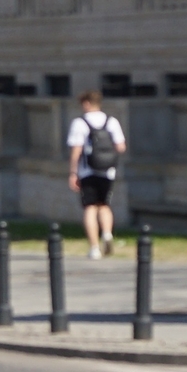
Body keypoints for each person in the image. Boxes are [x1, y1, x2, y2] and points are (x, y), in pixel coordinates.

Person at [66, 91, 127, 257]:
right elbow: (121, 147)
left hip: (88, 170)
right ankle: (107, 233)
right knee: (104, 205)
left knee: (90, 208)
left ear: (86, 103)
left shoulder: (80, 123)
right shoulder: (111, 121)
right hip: (108, 171)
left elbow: (76, 149)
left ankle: (94, 247)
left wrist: (73, 172)